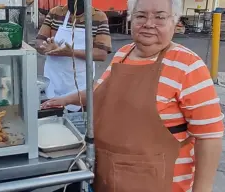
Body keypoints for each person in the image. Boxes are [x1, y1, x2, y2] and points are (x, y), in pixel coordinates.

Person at [42, 0, 224, 191]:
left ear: (174, 21)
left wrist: (202, 189)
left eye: (160, 17)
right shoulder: (124, 53)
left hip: (159, 184)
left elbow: (209, 136)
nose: (149, 23)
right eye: (141, 16)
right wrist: (65, 100)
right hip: (107, 179)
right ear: (131, 19)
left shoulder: (189, 66)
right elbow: (101, 90)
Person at [36, 0, 111, 113]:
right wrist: (46, 47)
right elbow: (39, 41)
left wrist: (72, 52)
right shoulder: (55, 12)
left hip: (80, 86)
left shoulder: (98, 17)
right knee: (53, 117)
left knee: (78, 121)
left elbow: (101, 54)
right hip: (54, 81)